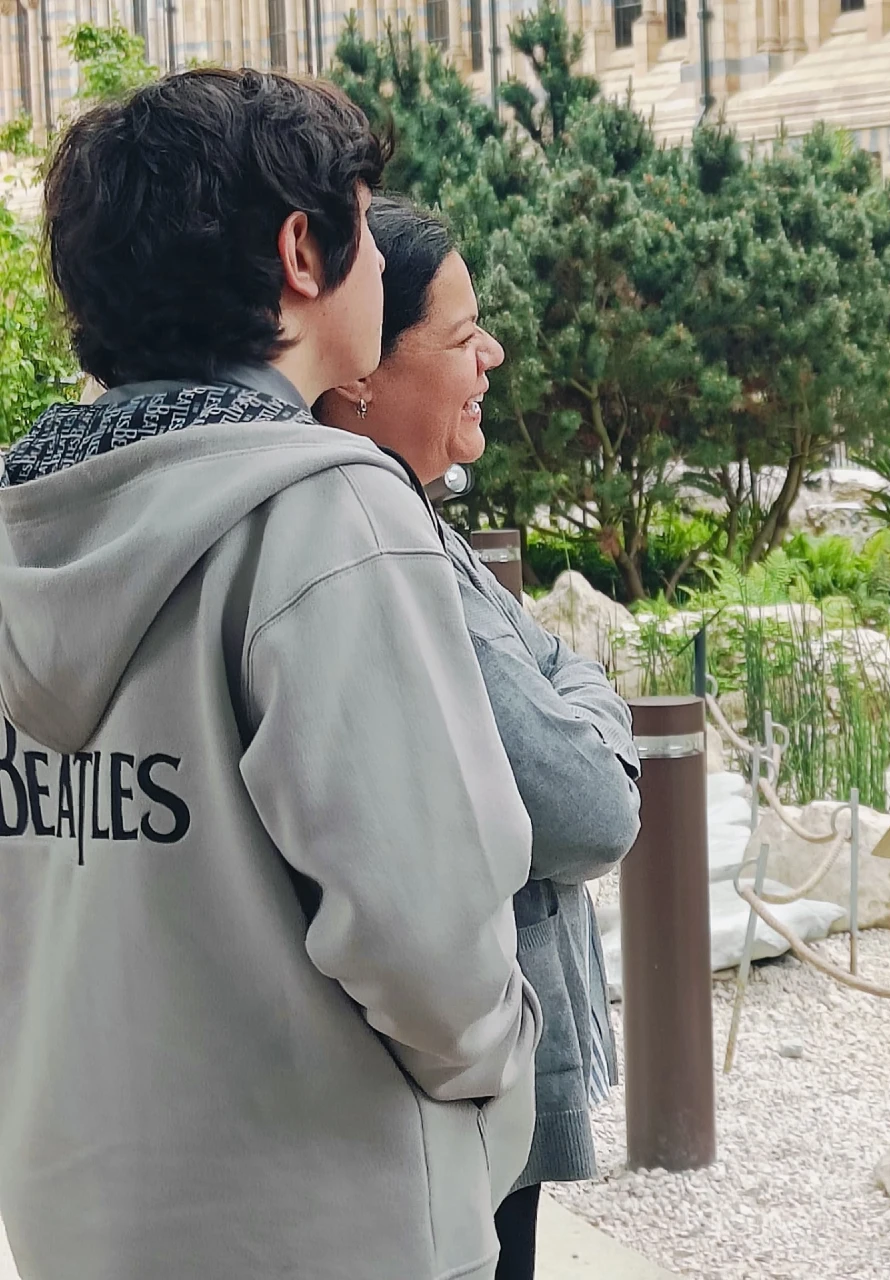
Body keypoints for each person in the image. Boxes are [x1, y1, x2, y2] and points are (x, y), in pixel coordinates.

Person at [0, 70, 541, 1280]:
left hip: (78, 1214)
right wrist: (496, 1061)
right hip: (323, 1224)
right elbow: (430, 933)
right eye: (363, 211)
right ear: (303, 249)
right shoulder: (325, 513)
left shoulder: (20, 529)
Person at [314, 196, 642, 1280]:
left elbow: (556, 684)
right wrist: (586, 695)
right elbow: (586, 804)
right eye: (461, 336)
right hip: (461, 1086)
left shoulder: (417, 519)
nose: (492, 354)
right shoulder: (389, 550)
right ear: (362, 366)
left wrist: (569, 684)